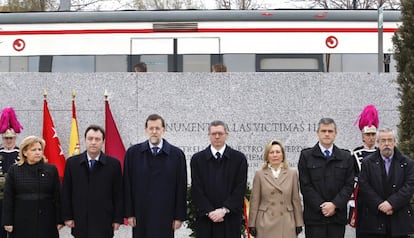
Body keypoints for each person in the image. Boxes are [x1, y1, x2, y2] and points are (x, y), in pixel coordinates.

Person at [123, 114, 187, 238]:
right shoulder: (133, 153)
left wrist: (179, 216)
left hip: (166, 215)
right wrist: (129, 213)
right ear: (146, 130)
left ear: (164, 130)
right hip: (141, 214)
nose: (154, 132)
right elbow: (127, 184)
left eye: (157, 128)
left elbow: (181, 187)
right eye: (151, 128)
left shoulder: (176, 155)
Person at [62, 125, 123, 238]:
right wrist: (67, 216)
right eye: (90, 139)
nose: (93, 142)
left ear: (103, 141)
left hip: (104, 220)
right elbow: (66, 191)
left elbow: (118, 193)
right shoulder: (72, 163)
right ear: (85, 140)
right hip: (80, 220)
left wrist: (117, 218)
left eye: (97, 139)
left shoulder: (113, 165)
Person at [298, 117, 354, 238]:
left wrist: (334, 205)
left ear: (335, 134)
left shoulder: (345, 156)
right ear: (317, 133)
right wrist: (322, 206)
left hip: (337, 218)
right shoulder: (306, 156)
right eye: (323, 131)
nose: (327, 134)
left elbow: (348, 185)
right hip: (315, 218)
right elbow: (305, 186)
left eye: (330, 131)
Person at [190, 120, 248, 238]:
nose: (217, 137)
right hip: (206, 220)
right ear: (209, 136)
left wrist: (224, 210)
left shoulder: (239, 159)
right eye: (214, 134)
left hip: (230, 219)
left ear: (226, 135)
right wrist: (210, 211)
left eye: (220, 133)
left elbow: (240, 187)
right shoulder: (198, 159)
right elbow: (196, 188)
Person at [358, 128, 414, 238]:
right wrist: (379, 204)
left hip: (399, 219)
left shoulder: (407, 163)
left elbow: (409, 186)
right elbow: (364, 186)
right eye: (383, 140)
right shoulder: (367, 163)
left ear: (394, 142)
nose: (387, 144)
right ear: (378, 142)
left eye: (390, 140)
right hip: (374, 220)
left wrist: (391, 204)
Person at [2, 136, 62, 238]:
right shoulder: (14, 170)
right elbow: (8, 197)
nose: (38, 152)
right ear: (25, 152)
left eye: (40, 149)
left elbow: (58, 196)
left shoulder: (51, 170)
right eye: (33, 150)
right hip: (21, 222)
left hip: (46, 222)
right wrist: (8, 221)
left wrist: (60, 219)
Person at [248, 140, 304, 238]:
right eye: (271, 152)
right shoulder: (260, 174)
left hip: (286, 222)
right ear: (267, 156)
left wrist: (299, 222)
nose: (275, 155)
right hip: (265, 222)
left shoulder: (292, 173)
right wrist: (252, 224)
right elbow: (255, 200)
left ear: (283, 155)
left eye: (278, 152)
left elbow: (296, 199)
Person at [349, 105, 379, 235]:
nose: (371, 137)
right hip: (361, 199)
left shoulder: (380, 153)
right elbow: (352, 177)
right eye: (368, 134)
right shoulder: (355, 153)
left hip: (379, 197)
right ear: (363, 136)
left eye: (373, 134)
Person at [0, 107, 23, 238]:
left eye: (11, 138)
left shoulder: (21, 154)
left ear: (15, 138)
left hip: (16, 199)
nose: (9, 141)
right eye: (6, 138)